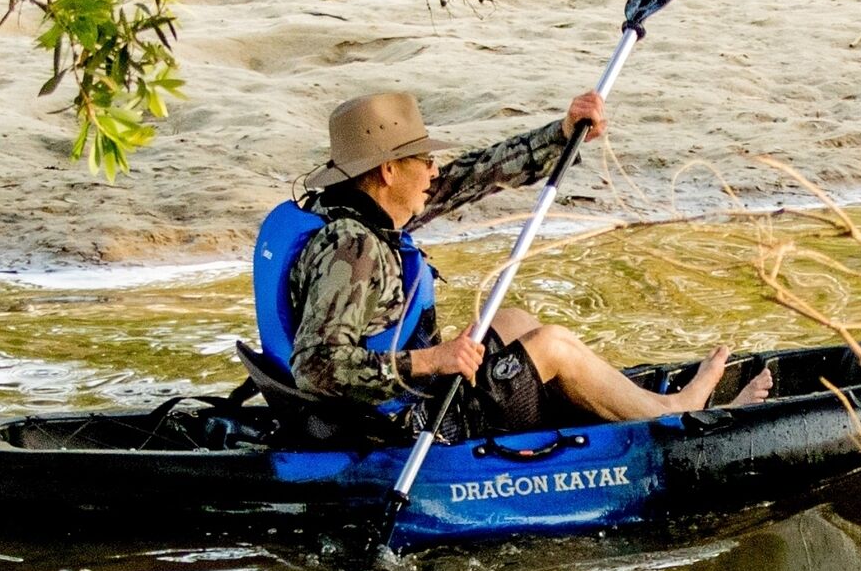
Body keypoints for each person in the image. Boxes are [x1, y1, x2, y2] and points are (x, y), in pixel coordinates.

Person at [253, 87, 761, 435]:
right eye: (424, 160)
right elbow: (317, 369)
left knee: (514, 322)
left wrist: (561, 135)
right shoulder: (353, 247)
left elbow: (471, 176)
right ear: (388, 170)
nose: (434, 170)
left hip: (401, 402)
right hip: (405, 429)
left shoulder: (354, 209)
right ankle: (673, 412)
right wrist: (435, 359)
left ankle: (602, 409)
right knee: (554, 345)